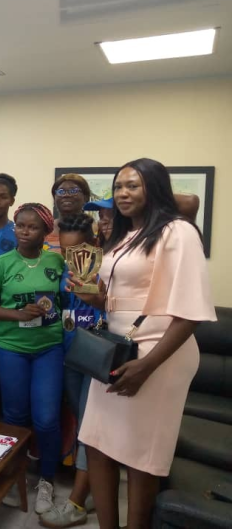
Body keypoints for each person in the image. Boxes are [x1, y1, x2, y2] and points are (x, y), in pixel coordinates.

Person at [69, 158, 216, 529]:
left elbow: (191, 312)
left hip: (158, 355)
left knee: (139, 455)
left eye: (133, 185)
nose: (122, 193)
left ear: (155, 188)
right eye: (118, 186)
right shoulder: (123, 236)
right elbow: (121, 299)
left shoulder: (177, 231)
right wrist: (94, 298)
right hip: (120, 350)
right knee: (97, 444)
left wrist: (147, 367)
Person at [0, 203, 65, 515]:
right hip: (11, 347)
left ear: (45, 232)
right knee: (14, 415)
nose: (25, 232)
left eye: (32, 227)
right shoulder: (1, 263)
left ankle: (47, 481)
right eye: (20, 226)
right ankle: (13, 478)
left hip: (49, 348)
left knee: (46, 418)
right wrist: (17, 314)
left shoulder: (56, 260)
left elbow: (67, 300)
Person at [40, 213, 103, 528]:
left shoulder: (106, 265)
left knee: (92, 426)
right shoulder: (58, 267)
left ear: (92, 242)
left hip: (97, 356)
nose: (71, 256)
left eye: (77, 249)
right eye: (65, 250)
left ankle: (81, 497)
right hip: (67, 353)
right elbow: (56, 306)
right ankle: (88, 485)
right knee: (81, 421)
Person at [45, 173, 92, 253]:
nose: (66, 195)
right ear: (54, 197)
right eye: (61, 191)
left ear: (86, 197)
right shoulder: (45, 229)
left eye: (73, 191)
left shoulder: (99, 230)